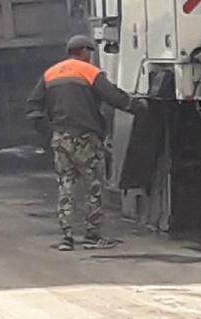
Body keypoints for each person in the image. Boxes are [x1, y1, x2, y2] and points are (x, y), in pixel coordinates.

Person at [27, 34, 146, 251]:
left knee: (66, 185)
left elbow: (34, 108)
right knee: (93, 186)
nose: (90, 56)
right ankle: (92, 236)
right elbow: (114, 97)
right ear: (83, 51)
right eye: (89, 52)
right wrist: (137, 106)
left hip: (61, 138)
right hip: (86, 138)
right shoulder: (89, 72)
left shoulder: (50, 74)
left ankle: (67, 237)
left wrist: (48, 133)